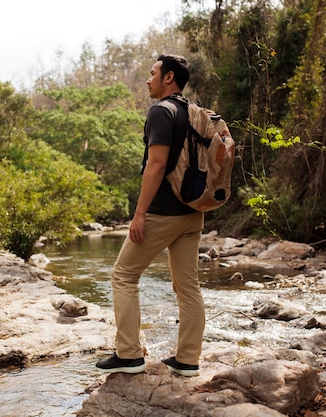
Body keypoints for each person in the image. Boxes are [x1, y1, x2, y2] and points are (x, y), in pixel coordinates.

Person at [95, 54, 205, 377]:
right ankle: (187, 360)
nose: (148, 79)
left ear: (168, 77)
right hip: (192, 213)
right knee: (188, 287)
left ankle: (128, 354)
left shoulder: (161, 111)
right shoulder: (190, 111)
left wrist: (139, 213)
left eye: (152, 73)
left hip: (163, 212)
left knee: (123, 275)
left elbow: (156, 165)